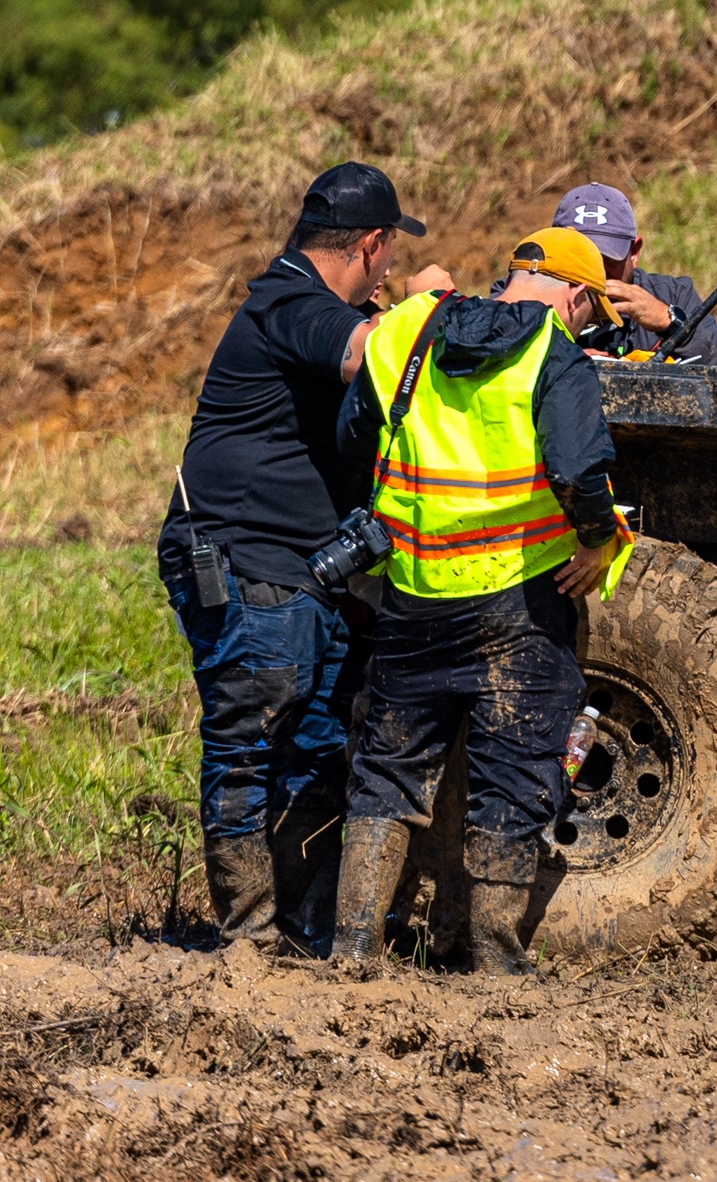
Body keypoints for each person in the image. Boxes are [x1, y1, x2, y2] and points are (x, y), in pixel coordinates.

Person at [159, 161, 451, 953]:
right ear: (372, 243)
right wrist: (427, 302)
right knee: (250, 742)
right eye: (389, 256)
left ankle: (299, 933)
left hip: (303, 572)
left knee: (317, 748)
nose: (387, 271)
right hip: (248, 561)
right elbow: (364, 355)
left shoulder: (305, 299)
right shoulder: (289, 300)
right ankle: (248, 940)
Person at [328, 226, 633, 976]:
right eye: (591, 312)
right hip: (517, 606)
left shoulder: (406, 332)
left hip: (415, 592)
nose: (586, 326)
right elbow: (577, 470)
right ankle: (495, 962)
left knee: (388, 768)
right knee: (513, 771)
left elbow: (355, 435)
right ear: (574, 294)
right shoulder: (554, 354)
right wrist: (598, 540)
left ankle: (353, 950)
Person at [538, 182, 717, 365]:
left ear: (634, 253)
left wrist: (671, 325)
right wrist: (559, 362)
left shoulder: (672, 295)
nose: (593, 271)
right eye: (580, 258)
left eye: (605, 259)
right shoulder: (533, 293)